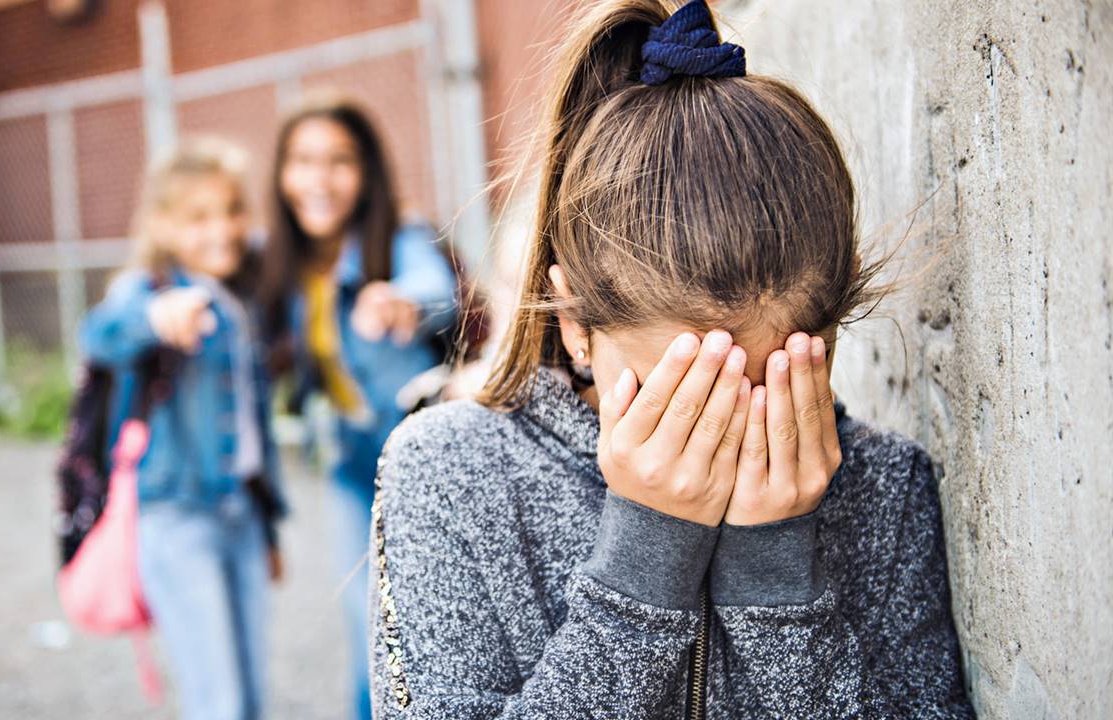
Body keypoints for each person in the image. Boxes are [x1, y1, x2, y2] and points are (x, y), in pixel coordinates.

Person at [367, 1, 976, 717]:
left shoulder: (886, 489)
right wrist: (642, 566)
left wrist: (779, 579)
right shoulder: (446, 474)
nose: (719, 434)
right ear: (574, 323)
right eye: (680, 394)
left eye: (765, 387)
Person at [260, 97, 457, 719]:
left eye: (339, 161)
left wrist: (400, 302)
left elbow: (437, 292)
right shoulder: (284, 258)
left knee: (429, 630)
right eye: (303, 161)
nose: (319, 179)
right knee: (366, 621)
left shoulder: (398, 236)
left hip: (421, 467)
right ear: (282, 173)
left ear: (366, 172)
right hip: (350, 465)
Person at [80, 137, 285, 720]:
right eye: (198, 217)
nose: (221, 229)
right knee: (218, 700)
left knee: (251, 696)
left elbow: (256, 427)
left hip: (243, 515)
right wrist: (155, 318)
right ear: (163, 225)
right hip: (176, 516)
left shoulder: (243, 297)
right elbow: (99, 335)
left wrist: (270, 529)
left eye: (232, 210)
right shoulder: (147, 291)